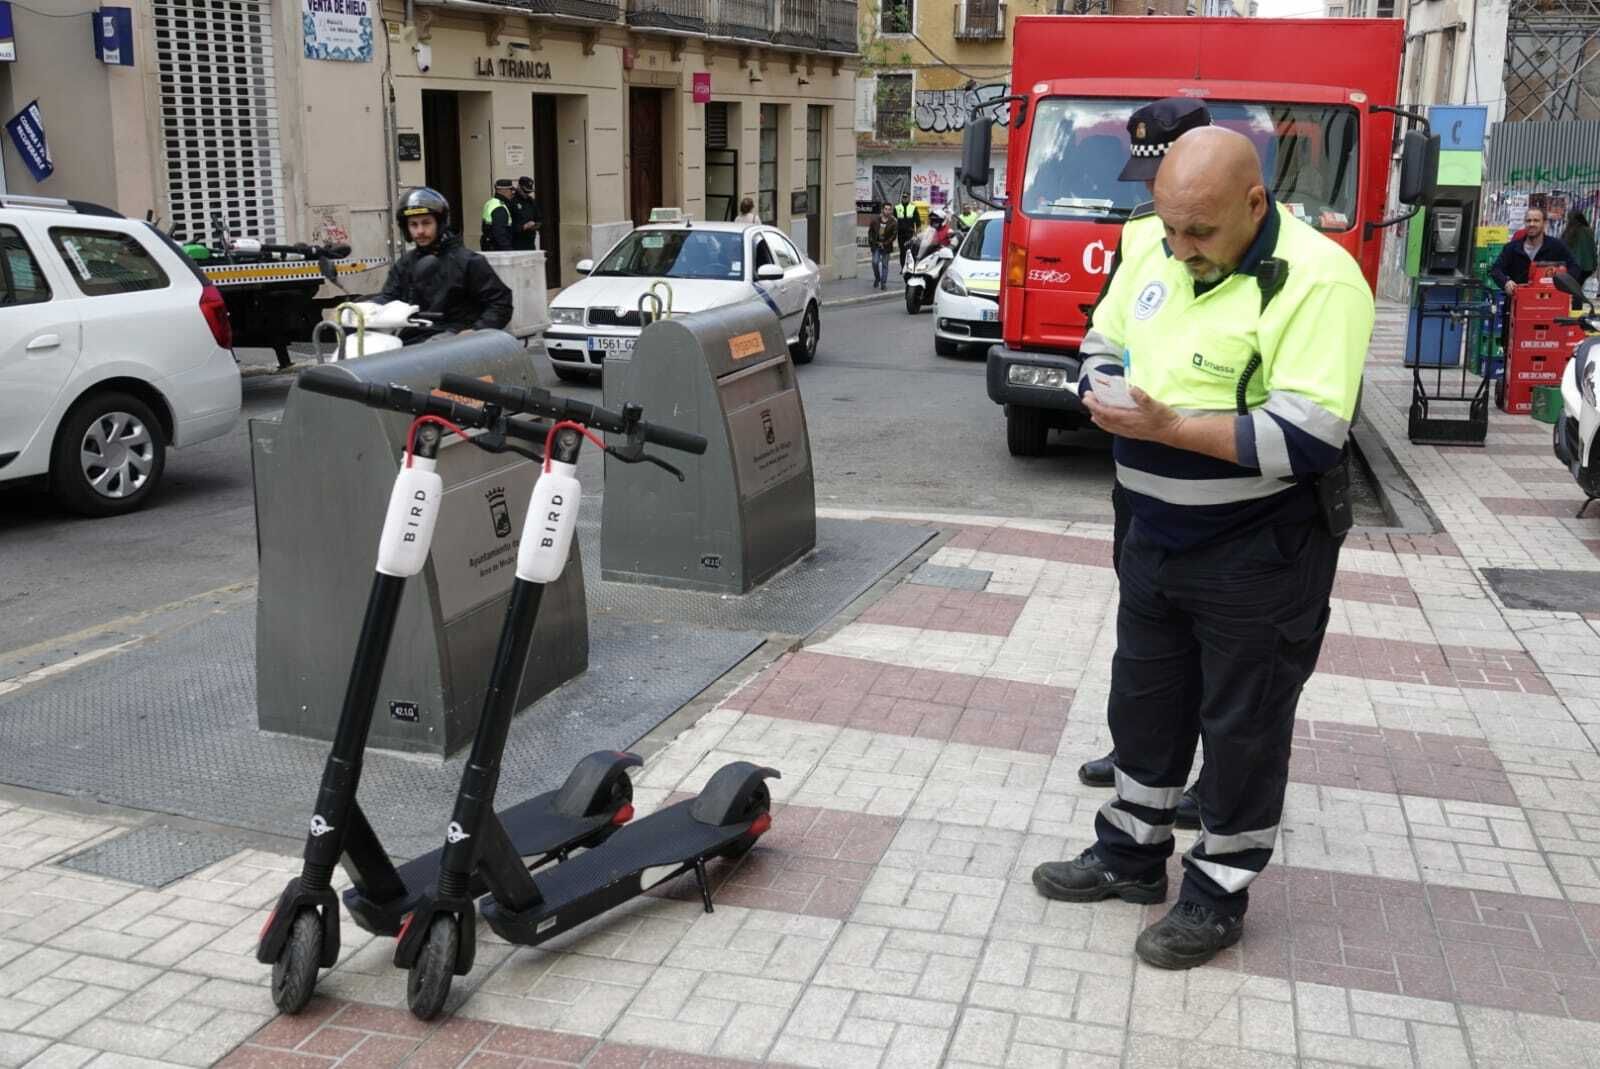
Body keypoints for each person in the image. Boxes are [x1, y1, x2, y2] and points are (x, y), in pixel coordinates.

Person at [1031, 127, 1373, 970]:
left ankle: (1217, 894)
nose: (1179, 249)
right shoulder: (1151, 242)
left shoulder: (1322, 280)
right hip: (1154, 534)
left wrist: (1171, 426)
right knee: (1144, 703)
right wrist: (1095, 386)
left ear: (1255, 204)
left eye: (1201, 234)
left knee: (1243, 726)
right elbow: (1103, 339)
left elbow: (1310, 433)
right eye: (1170, 226)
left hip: (1260, 549)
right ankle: (1130, 855)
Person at [1078, 98, 1214, 832]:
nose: (1152, 196)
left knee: (1220, 644)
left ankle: (1213, 774)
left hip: (1222, 485)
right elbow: (1107, 324)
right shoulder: (1140, 232)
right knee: (1146, 629)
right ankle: (1140, 754)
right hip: (1143, 471)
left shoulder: (1245, 233)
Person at [378, 187, 513, 340]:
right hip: (412, 338)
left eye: (426, 223)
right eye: (414, 225)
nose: (420, 231)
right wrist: (364, 309)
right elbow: (388, 297)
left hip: (452, 340)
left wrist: (475, 331)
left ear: (440, 223)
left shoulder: (468, 262)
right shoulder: (406, 263)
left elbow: (500, 303)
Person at [1490, 206, 1576, 294]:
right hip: (1518, 300)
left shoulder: (1556, 246)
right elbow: (1496, 269)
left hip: (1547, 301)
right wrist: (1505, 283)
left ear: (1545, 223)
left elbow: (1574, 267)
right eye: (1528, 220)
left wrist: (1563, 284)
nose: (1531, 224)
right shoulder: (1512, 248)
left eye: (1536, 220)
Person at [479, 178, 516, 252]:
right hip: (497, 249)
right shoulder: (499, 207)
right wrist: (509, 251)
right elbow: (499, 232)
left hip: (490, 245)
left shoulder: (491, 202)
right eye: (510, 190)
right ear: (502, 190)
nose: (512, 193)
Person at [868, 203, 896, 290]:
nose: (887, 211)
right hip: (876, 245)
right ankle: (877, 278)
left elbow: (893, 236)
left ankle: (883, 283)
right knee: (875, 262)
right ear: (882, 210)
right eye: (886, 209)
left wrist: (885, 243)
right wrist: (872, 242)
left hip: (886, 246)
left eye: (889, 209)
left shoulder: (893, 222)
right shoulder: (875, 220)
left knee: (885, 265)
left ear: (891, 211)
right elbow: (870, 232)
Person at [511, 176, 542, 252]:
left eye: (529, 192)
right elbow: (509, 224)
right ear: (519, 187)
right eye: (525, 191)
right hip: (516, 242)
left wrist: (536, 225)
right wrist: (523, 227)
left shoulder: (531, 201)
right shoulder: (512, 201)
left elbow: (538, 218)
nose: (527, 194)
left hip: (530, 241)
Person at [1566, 209, 1596, 288]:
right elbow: (1593, 249)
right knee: (1578, 288)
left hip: (1573, 267)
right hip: (1587, 267)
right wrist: (1594, 265)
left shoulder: (1568, 232)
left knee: (1573, 289)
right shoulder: (1588, 231)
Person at [894, 193, 918, 273]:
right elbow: (893, 220)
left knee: (910, 251)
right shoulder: (897, 207)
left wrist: (916, 233)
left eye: (906, 197)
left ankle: (911, 267)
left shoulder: (913, 208)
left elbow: (917, 222)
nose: (904, 198)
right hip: (900, 233)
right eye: (903, 197)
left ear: (909, 198)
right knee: (902, 251)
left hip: (909, 233)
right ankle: (903, 267)